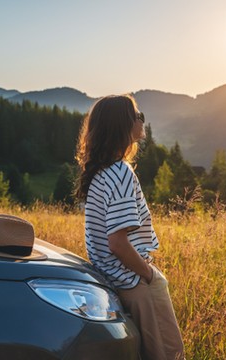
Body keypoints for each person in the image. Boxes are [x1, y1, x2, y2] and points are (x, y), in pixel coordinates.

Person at [74, 94, 184, 360]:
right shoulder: (120, 173)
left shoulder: (100, 171)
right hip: (133, 281)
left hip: (112, 278)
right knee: (168, 354)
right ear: (123, 125)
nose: (141, 121)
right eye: (138, 116)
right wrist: (148, 275)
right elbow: (118, 242)